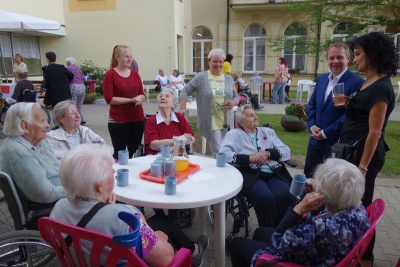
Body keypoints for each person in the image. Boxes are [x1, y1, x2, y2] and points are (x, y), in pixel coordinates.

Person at [50, 144, 209, 267]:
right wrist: (158, 236)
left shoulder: (59, 207)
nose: (113, 172)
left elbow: (93, 227)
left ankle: (195, 251)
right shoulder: (126, 218)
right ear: (99, 186)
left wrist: (106, 208)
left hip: (82, 261)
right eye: (110, 171)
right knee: (165, 230)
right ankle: (195, 253)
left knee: (162, 220)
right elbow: (165, 259)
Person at [230, 158, 370, 267]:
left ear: (327, 193)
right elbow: (330, 215)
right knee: (259, 232)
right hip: (331, 253)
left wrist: (298, 209)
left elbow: (278, 241)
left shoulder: (320, 226)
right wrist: (320, 202)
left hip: (307, 260)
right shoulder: (358, 209)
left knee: (237, 244)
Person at [338, 32, 397, 267]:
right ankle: (351, 252)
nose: (354, 60)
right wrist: (348, 101)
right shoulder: (368, 81)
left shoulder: (381, 87)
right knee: (351, 208)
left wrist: (361, 169)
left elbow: (375, 132)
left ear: (372, 55)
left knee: (362, 212)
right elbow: (361, 114)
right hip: (352, 153)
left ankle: (366, 260)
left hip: (363, 158)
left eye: (358, 54)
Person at [219, 104, 295, 227]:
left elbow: (286, 152)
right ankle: (267, 233)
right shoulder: (234, 134)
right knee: (266, 198)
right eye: (251, 115)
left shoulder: (268, 132)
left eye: (255, 114)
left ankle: (281, 231)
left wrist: (268, 154)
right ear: (241, 122)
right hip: (250, 175)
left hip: (273, 173)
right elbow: (222, 155)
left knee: (285, 194)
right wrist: (249, 159)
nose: (256, 117)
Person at [304, 42, 364, 178]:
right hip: (314, 140)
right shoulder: (322, 79)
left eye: (339, 57)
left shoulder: (357, 83)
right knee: (309, 176)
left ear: (348, 58)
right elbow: (312, 104)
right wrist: (312, 125)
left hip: (336, 143)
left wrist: (325, 133)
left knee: (330, 182)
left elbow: (348, 115)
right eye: (331, 58)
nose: (335, 61)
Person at [0, 102, 65, 205]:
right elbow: (46, 194)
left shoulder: (38, 139)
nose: (48, 125)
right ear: (25, 126)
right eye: (42, 121)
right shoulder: (19, 153)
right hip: (53, 207)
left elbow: (56, 168)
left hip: (64, 194)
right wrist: (77, 190)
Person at [179, 48, 239, 156]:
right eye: (215, 61)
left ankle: (225, 170)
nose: (218, 64)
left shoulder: (228, 78)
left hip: (227, 121)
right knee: (219, 152)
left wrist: (233, 102)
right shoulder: (201, 77)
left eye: (220, 62)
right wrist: (182, 108)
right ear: (209, 62)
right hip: (211, 121)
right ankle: (221, 170)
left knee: (228, 149)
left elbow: (236, 96)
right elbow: (184, 91)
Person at [102, 45, 146, 160]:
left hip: (137, 118)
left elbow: (142, 93)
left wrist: (140, 98)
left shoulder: (135, 75)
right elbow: (109, 99)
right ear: (117, 57)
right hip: (118, 120)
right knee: (120, 152)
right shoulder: (110, 75)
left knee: (134, 151)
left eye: (131, 56)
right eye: (126, 56)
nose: (129, 59)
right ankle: (119, 175)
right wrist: (131, 100)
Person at [145, 89, 195, 155]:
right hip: (156, 158)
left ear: (173, 104)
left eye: (167, 96)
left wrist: (174, 147)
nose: (162, 97)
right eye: (161, 96)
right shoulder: (151, 120)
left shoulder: (179, 117)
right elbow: (154, 145)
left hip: (178, 157)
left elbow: (191, 139)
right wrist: (180, 139)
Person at [66, 57, 86, 125]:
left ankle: (75, 119)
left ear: (68, 63)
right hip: (82, 87)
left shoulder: (68, 68)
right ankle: (82, 119)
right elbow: (84, 78)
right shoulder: (78, 68)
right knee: (79, 105)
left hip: (74, 86)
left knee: (73, 104)